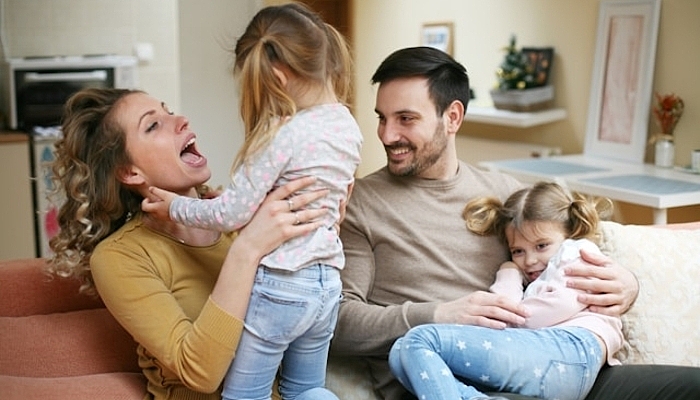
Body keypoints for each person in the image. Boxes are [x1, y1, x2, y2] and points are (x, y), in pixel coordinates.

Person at [331, 46, 700, 400]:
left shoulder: (505, 192)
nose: (387, 135)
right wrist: (439, 315)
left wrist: (627, 284)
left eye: (406, 119)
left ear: (453, 117)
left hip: (551, 364)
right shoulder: (361, 203)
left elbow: (572, 243)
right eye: (382, 118)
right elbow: (338, 322)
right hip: (445, 382)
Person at [47, 87, 333, 400]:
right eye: (153, 125)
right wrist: (248, 250)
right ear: (130, 172)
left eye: (169, 111)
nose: (181, 120)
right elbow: (200, 373)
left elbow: (304, 321)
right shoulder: (120, 256)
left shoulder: (240, 221)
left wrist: (321, 231)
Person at [141, 3, 362, 399]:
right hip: (328, 284)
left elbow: (230, 214)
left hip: (283, 285)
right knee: (307, 390)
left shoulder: (281, 133)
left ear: (277, 77)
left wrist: (174, 206)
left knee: (245, 395)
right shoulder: (348, 125)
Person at [389, 182, 623, 400]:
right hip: (544, 356)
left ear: (569, 233)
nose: (530, 260)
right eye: (518, 251)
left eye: (541, 246)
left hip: (572, 349)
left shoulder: (578, 251)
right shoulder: (535, 279)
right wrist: (510, 271)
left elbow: (533, 313)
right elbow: (503, 310)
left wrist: (511, 309)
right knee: (400, 354)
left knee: (418, 340)